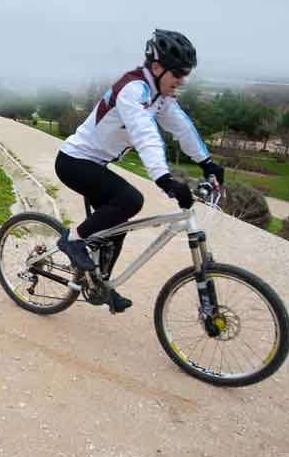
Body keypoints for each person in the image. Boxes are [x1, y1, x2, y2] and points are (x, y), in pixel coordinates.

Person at [54, 29, 224, 311]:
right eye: (178, 73)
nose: (182, 81)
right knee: (131, 200)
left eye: (186, 74)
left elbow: (182, 127)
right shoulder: (133, 90)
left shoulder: (160, 95)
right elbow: (144, 133)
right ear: (157, 68)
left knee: (116, 227)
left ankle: (99, 286)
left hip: (95, 163)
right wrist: (165, 179)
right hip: (75, 161)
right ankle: (72, 242)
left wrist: (207, 162)